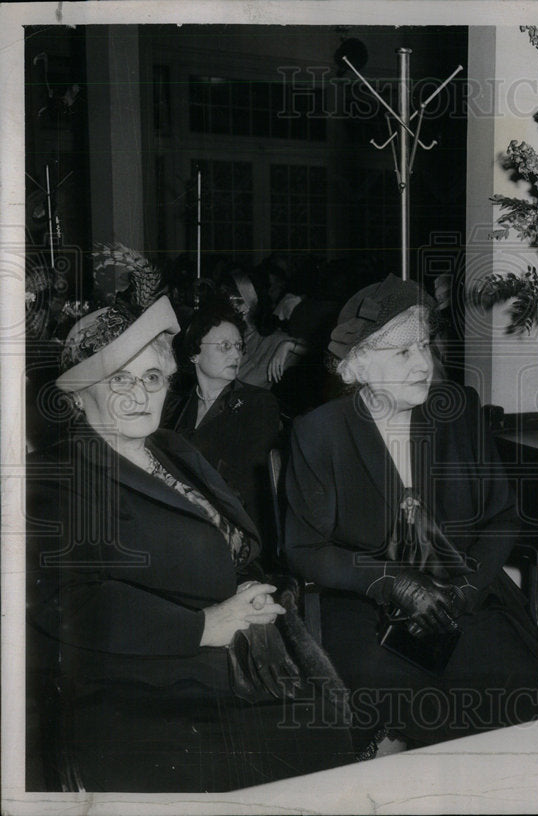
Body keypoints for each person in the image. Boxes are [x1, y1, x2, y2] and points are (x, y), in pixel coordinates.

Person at [26, 259, 354, 792]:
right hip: (148, 684)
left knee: (335, 740)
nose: (139, 395)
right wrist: (204, 625)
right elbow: (67, 601)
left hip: (240, 652)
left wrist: (251, 588)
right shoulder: (60, 475)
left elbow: (237, 541)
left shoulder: (173, 448)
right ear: (78, 398)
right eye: (118, 381)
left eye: (152, 377)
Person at [283, 274, 538, 750]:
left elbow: (501, 518)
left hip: (465, 596)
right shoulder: (320, 433)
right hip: (365, 609)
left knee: (522, 694)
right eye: (403, 352)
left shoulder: (460, 412)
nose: (423, 364)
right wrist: (396, 583)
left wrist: (466, 591)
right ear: (356, 368)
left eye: (425, 346)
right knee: (408, 708)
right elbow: (304, 547)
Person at [170, 299, 283, 558]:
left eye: (238, 347)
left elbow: (243, 484)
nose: (236, 355)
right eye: (224, 347)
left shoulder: (259, 403)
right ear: (194, 353)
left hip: (234, 532)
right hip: (183, 522)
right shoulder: (174, 409)